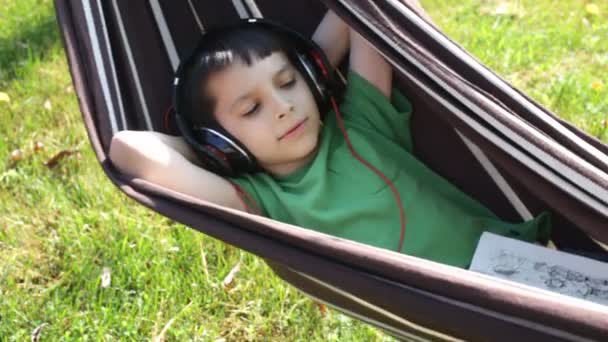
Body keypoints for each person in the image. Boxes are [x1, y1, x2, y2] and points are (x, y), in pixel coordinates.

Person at [109, 10, 550, 268]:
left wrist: (314, 62)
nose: (282, 106)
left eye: (287, 82)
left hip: (527, 262)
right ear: (220, 142)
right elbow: (128, 149)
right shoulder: (265, 202)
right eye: (251, 109)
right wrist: (212, 148)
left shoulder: (361, 124)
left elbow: (370, 12)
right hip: (468, 314)